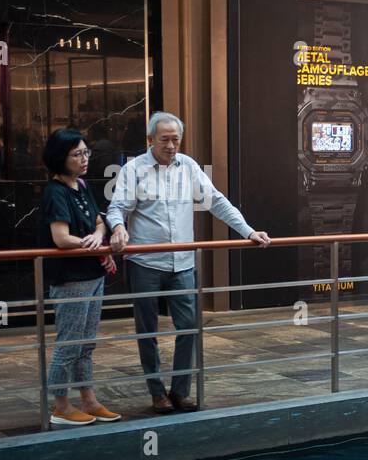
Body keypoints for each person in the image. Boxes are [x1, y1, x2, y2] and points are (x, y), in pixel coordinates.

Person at [107, 112, 271, 413]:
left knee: (190, 327)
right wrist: (118, 228)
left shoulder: (189, 167)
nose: (171, 146)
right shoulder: (134, 169)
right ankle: (157, 393)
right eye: (164, 140)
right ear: (149, 140)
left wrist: (248, 231)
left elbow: (217, 201)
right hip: (145, 262)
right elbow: (117, 207)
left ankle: (179, 391)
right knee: (147, 331)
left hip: (182, 264)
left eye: (176, 140)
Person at [38, 129, 121, 427]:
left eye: (86, 152)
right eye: (77, 154)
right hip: (71, 277)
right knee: (70, 343)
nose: (85, 158)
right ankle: (60, 404)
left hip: (92, 273)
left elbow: (99, 220)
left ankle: (89, 398)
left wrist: (100, 236)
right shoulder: (55, 191)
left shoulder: (81, 185)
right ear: (61, 158)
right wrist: (92, 243)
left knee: (86, 343)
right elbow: (60, 238)